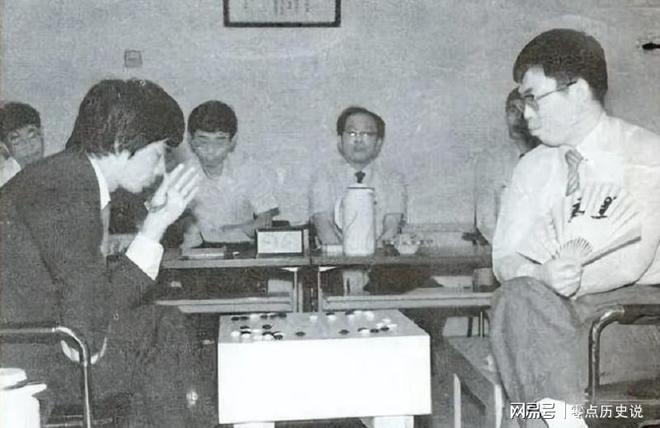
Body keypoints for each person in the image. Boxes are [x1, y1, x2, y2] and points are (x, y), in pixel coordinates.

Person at [0, 79, 210, 426]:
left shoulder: (66, 175)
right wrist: (155, 227)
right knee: (162, 330)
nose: (160, 169)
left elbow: (93, 303)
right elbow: (88, 332)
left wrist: (155, 222)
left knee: (158, 329)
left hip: (38, 342)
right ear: (120, 143)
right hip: (32, 359)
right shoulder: (67, 191)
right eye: (158, 154)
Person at [491, 29, 660, 428]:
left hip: (631, 319)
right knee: (517, 300)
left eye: (533, 98)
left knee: (527, 372)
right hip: (546, 316)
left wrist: (558, 287)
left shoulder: (646, 153)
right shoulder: (531, 167)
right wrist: (541, 278)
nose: (525, 113)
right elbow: (504, 258)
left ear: (579, 90)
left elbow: (630, 264)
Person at [179, 100, 279, 249]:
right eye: (203, 141)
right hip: (195, 253)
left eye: (219, 142)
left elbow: (265, 220)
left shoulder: (248, 170)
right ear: (191, 139)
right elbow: (175, 225)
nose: (211, 150)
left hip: (242, 252)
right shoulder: (181, 174)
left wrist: (222, 233)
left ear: (232, 141)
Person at [309, 106, 406, 248]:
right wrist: (348, 258)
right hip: (335, 258)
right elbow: (324, 227)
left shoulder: (393, 180)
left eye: (367, 133)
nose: (359, 140)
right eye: (352, 133)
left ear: (378, 143)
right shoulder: (324, 178)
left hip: (380, 258)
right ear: (340, 141)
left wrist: (371, 257)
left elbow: (391, 228)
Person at [475, 89, 540, 243]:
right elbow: (485, 222)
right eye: (512, 110)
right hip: (506, 251)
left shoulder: (554, 158)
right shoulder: (492, 162)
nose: (518, 118)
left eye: (523, 110)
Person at [0, 101, 45, 186]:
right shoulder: (5, 182)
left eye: (32, 135)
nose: (28, 145)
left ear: (41, 133)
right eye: (16, 140)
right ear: (4, 147)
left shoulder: (54, 169)